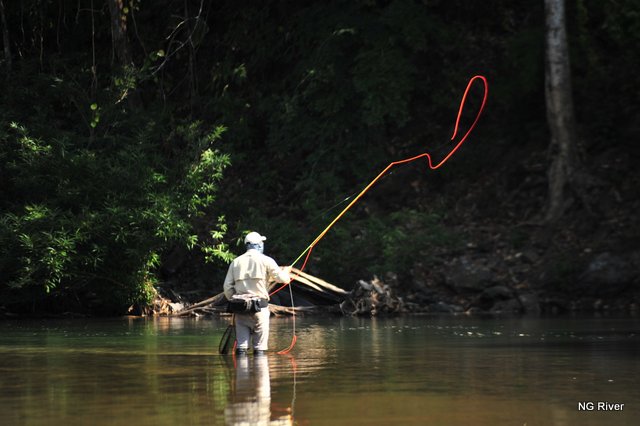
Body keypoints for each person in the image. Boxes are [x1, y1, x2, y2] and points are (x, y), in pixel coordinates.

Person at [223, 231, 291, 355]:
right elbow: (284, 279)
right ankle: (260, 371)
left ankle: (241, 373)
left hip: (240, 310)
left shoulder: (236, 262)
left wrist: (235, 300)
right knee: (260, 348)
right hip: (260, 308)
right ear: (259, 245)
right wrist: (286, 272)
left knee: (241, 347)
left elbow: (227, 287)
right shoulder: (266, 260)